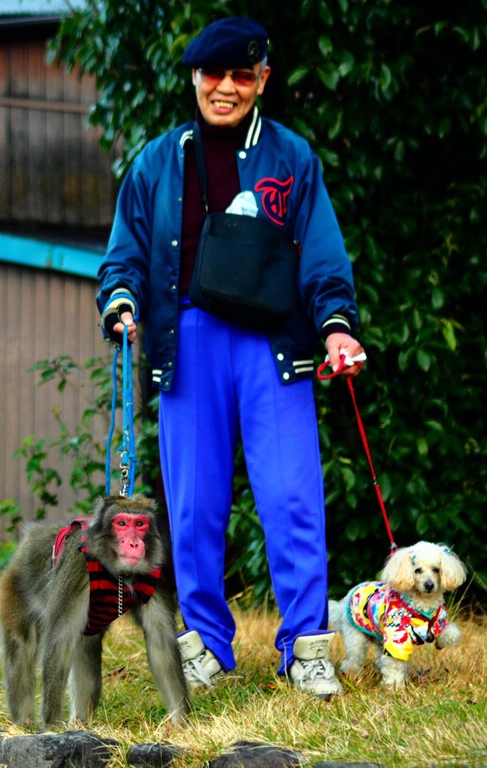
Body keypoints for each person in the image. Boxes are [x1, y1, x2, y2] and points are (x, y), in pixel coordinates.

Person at [96, 16, 365, 697]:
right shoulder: (158, 160)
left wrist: (336, 327)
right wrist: (121, 301)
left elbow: (325, 254)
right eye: (212, 74)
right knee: (192, 508)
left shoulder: (292, 157)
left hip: (272, 347)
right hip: (187, 345)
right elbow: (123, 254)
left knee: (293, 498)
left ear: (262, 80)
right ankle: (208, 648)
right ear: (193, 77)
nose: (224, 87)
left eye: (241, 75)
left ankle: (306, 646)